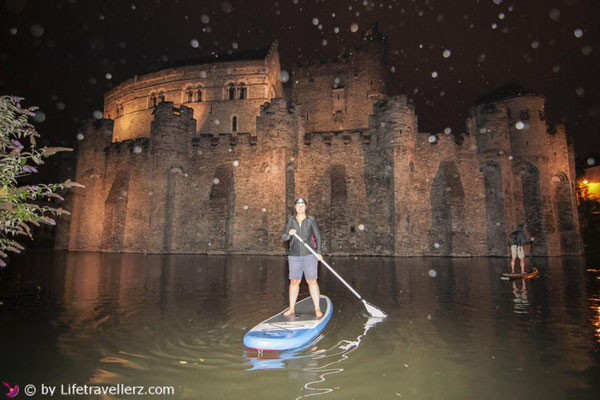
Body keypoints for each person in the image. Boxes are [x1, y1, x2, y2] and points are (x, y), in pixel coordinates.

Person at [281, 198, 324, 317]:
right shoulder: (291, 221)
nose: (300, 207)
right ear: (295, 208)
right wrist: (289, 233)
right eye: (298, 205)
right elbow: (284, 237)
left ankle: (317, 308)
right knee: (294, 281)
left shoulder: (311, 220)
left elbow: (318, 236)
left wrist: (319, 252)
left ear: (305, 207)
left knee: (312, 281)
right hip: (294, 255)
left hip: (309, 254)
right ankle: (291, 308)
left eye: (302, 205)